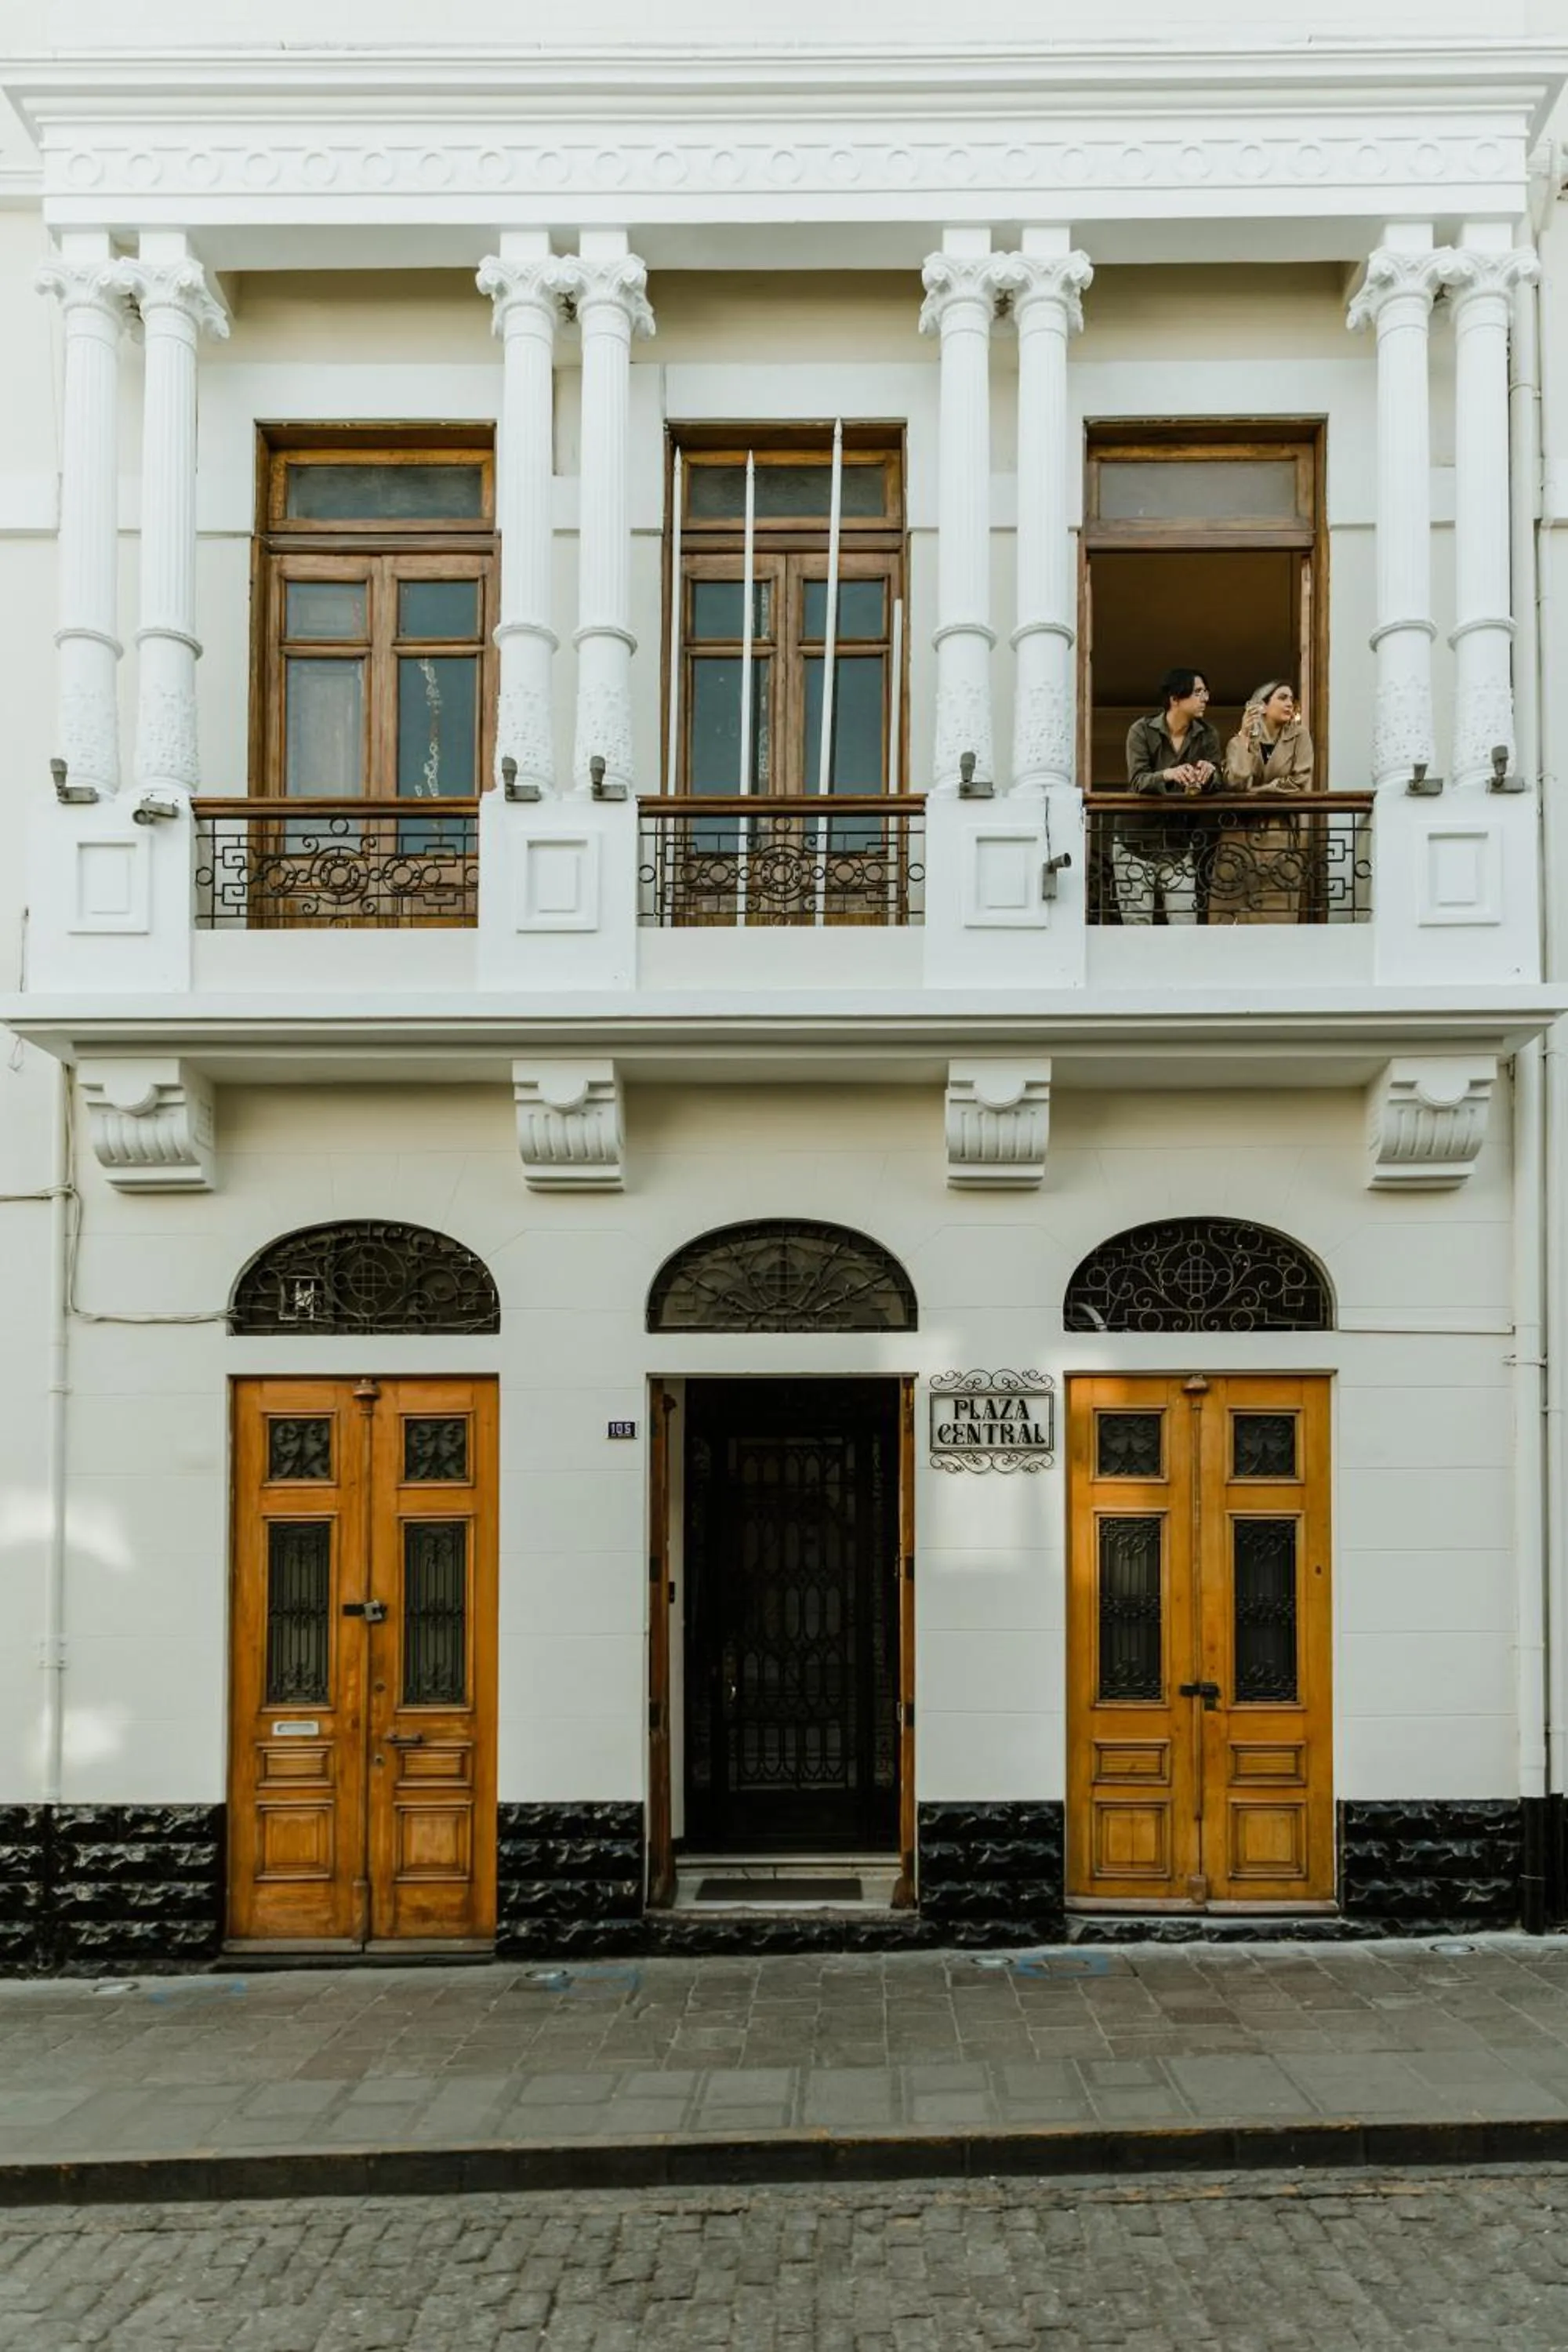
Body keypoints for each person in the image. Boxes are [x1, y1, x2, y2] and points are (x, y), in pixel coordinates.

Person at [1116, 669, 1226, 924]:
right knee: (1137, 926)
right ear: (1175, 698)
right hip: (1135, 842)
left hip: (1178, 843)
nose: (1205, 698)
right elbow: (1138, 781)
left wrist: (1210, 775)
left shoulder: (1208, 734)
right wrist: (1169, 774)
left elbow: (1219, 781)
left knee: (1185, 922)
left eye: (1206, 692)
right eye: (1198, 692)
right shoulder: (1141, 731)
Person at [1213, 680, 1316, 924]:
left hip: (1279, 833)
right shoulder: (1240, 741)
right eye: (1282, 697)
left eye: (1292, 699)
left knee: (1277, 917)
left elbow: (1298, 781)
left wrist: (1257, 791)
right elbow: (1236, 781)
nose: (1290, 703)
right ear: (1262, 706)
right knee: (1227, 918)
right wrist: (1244, 737)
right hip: (1238, 835)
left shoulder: (1300, 737)